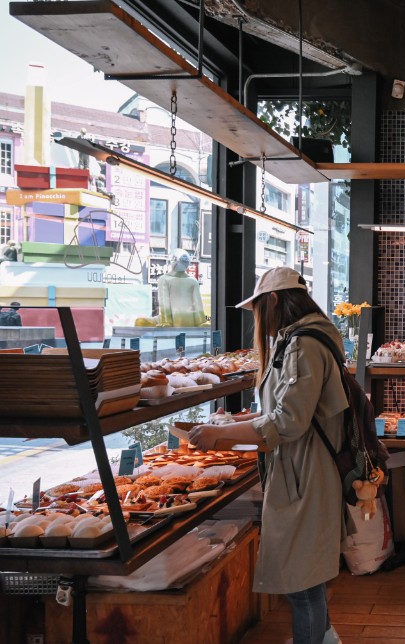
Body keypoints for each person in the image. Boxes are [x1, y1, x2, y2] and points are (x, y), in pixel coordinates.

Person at [189, 267, 345, 644]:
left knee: (301, 584)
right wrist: (241, 420)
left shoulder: (303, 344)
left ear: (274, 300)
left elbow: (289, 422)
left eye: (258, 308)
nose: (258, 319)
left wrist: (221, 435)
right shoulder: (303, 339)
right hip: (302, 471)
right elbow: (285, 409)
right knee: (306, 576)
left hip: (305, 474)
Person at [146, 248, 207, 327]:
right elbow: (198, 305)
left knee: (139, 321)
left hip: (173, 320)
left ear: (172, 262)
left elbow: (165, 304)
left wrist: (166, 322)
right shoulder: (193, 281)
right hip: (190, 320)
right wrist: (201, 322)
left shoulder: (164, 279)